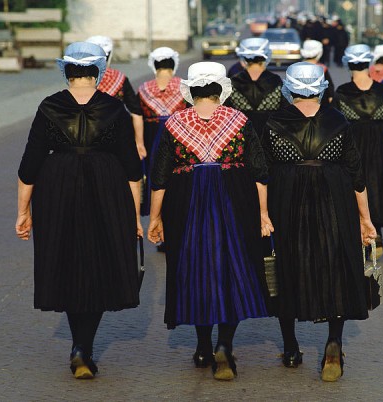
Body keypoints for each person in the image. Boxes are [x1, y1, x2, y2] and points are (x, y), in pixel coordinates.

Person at [15, 42, 143, 379]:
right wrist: (134, 216)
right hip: (107, 187)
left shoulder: (49, 106)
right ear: (98, 70)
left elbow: (29, 167)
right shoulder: (115, 108)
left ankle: (78, 344)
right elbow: (132, 169)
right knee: (101, 264)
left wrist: (22, 211)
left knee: (68, 263)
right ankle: (84, 346)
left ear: (67, 71)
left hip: (57, 187)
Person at [147, 62, 271, 381]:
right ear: (221, 89)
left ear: (192, 90)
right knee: (234, 268)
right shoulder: (239, 120)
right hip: (235, 198)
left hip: (186, 202)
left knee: (196, 270)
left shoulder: (175, 122)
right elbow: (259, 172)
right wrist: (263, 214)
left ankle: (203, 346)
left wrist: (156, 216)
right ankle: (225, 345)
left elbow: (159, 176)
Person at [263, 62, 377, 382]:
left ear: (290, 88)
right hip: (334, 198)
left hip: (288, 201)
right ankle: (334, 342)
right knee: (336, 265)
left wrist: (261, 213)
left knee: (289, 265)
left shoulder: (274, 122)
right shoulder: (338, 120)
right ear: (321, 87)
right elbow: (357, 176)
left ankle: (289, 347)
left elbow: (263, 174)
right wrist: (365, 220)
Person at [333, 44, 383, 258]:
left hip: (352, 145)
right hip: (381, 146)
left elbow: (333, 127)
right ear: (368, 63)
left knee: (354, 185)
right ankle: (376, 233)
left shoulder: (342, 92)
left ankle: (359, 235)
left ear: (348, 64)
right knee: (378, 185)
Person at [136, 47, 187, 253]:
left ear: (154, 65)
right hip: (179, 138)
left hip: (152, 140)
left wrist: (139, 143)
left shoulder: (143, 89)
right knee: (176, 183)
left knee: (157, 184)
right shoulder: (184, 86)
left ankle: (161, 230)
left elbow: (137, 116)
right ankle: (175, 231)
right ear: (173, 65)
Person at [85, 35, 146, 159]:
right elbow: (136, 112)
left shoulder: (81, 79)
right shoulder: (120, 79)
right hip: (117, 138)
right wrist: (139, 143)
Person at [225, 37, 287, 139]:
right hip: (270, 140)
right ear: (266, 56)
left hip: (242, 139)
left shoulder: (233, 83)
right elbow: (285, 114)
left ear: (244, 58)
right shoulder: (276, 81)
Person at [300, 39, 335, 105]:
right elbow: (329, 87)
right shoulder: (322, 68)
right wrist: (331, 97)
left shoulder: (296, 68)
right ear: (319, 53)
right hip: (320, 103)